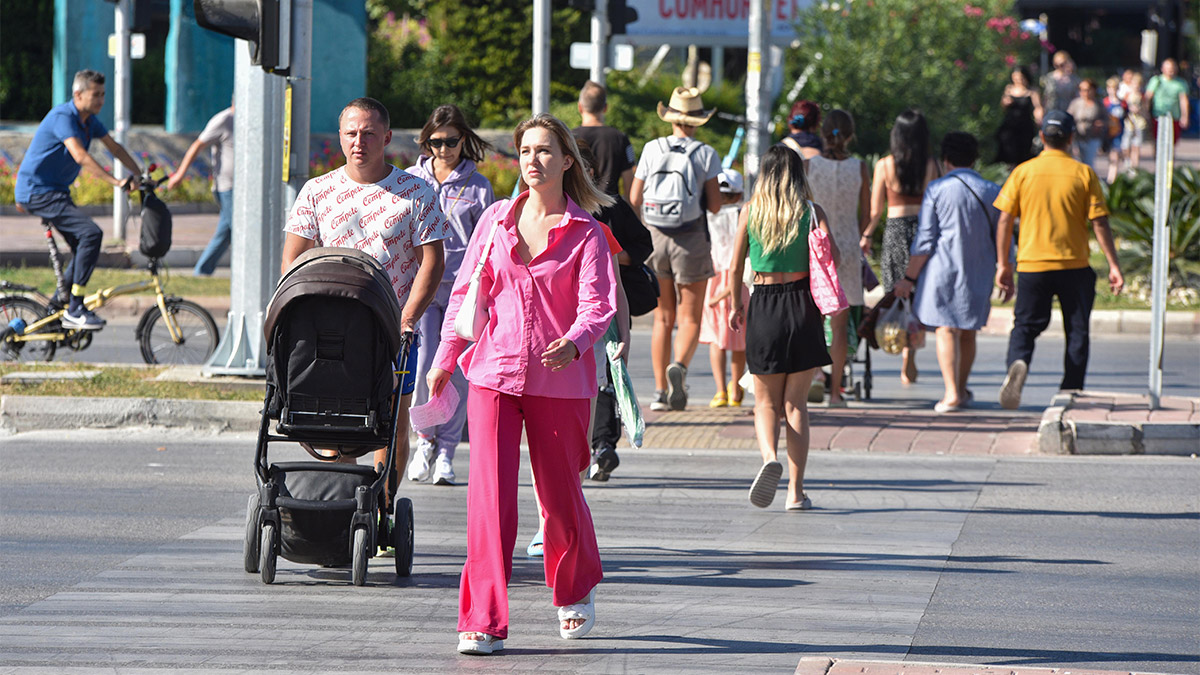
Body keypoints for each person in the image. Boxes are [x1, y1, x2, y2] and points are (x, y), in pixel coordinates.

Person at [427, 113, 616, 655]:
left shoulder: (586, 233)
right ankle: (482, 618)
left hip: (560, 379)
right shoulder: (493, 220)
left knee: (559, 496)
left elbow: (598, 305)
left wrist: (576, 340)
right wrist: (445, 359)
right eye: (526, 150)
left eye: (545, 151)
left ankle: (575, 588)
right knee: (489, 500)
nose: (533, 160)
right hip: (493, 372)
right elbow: (465, 296)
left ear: (566, 161)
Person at [282, 97, 448, 498]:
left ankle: (383, 508)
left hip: (392, 328)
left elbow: (433, 261)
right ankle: (343, 509)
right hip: (330, 329)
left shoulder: (416, 192)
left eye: (370, 133)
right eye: (352, 133)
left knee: (392, 424)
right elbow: (293, 259)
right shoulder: (318, 191)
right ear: (340, 137)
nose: (360, 142)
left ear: (387, 137)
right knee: (335, 421)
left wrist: (408, 316)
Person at [992, 110, 1124, 409]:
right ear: (1071, 138)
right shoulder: (1083, 173)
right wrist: (1113, 264)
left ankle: (1018, 362)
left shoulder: (1023, 172)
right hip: (1074, 266)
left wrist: (1004, 264)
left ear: (1041, 138)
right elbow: (1099, 222)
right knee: (1077, 329)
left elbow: (1004, 220)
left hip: (1032, 266)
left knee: (1025, 326)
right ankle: (1071, 389)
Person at [728, 146, 834, 511]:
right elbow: (828, 259)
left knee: (765, 402)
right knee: (797, 405)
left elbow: (733, 266)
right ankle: (796, 492)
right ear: (797, 175)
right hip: (804, 305)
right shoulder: (811, 212)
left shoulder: (751, 211)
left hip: (765, 304)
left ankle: (769, 456)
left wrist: (733, 305)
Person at [402, 104, 495, 487]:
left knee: (455, 372)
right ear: (426, 143)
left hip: (463, 293)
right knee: (424, 366)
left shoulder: (478, 186)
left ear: (464, 140)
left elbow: (488, 241)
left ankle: (447, 452)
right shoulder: (411, 179)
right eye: (435, 142)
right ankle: (424, 439)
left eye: (452, 141)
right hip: (422, 289)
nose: (444, 149)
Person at [14, 69, 143, 330]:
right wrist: (117, 182)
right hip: (37, 191)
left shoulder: (90, 121)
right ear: (78, 94)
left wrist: (138, 173)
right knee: (91, 234)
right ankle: (75, 307)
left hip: (56, 192)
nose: (101, 101)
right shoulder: (64, 117)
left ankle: (53, 312)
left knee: (85, 247)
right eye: (96, 95)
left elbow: (114, 148)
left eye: (103, 95)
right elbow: (80, 156)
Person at [892, 132, 1000, 413]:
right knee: (968, 331)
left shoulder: (938, 189)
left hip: (944, 270)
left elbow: (925, 240)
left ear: (945, 160)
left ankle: (951, 393)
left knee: (946, 329)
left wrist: (908, 278)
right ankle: (961, 389)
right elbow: (1002, 237)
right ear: (975, 159)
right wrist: (1005, 269)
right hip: (980, 269)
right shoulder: (992, 190)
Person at [630, 87, 723, 412]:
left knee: (663, 318)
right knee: (691, 317)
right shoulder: (706, 154)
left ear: (670, 116)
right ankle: (679, 368)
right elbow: (713, 206)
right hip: (691, 239)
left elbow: (635, 198)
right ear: (697, 120)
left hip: (656, 238)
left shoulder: (652, 148)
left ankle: (658, 392)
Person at [863, 108, 939, 385]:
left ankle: (900, 342)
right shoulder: (932, 165)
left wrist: (867, 235)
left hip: (895, 232)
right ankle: (911, 354)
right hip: (922, 231)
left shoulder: (884, 165)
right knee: (919, 297)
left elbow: (875, 210)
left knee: (897, 294)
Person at [805, 109, 870, 408]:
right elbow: (867, 214)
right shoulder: (859, 167)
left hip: (816, 244)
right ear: (850, 134)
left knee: (813, 318)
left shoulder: (809, 165)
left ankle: (814, 376)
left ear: (822, 132)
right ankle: (835, 392)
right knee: (841, 324)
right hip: (847, 245)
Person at [166, 104, 234, 276]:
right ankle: (248, 276)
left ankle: (202, 271)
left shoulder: (250, 120)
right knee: (241, 232)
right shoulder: (224, 120)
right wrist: (180, 175)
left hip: (241, 190)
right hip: (228, 188)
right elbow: (197, 145)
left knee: (225, 234)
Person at [700, 168, 748, 408]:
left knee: (717, 339)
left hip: (715, 276)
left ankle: (721, 390)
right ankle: (735, 388)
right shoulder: (744, 213)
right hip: (740, 280)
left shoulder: (707, 215)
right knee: (739, 340)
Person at [572, 81, 636, 202]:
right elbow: (629, 183)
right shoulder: (620, 138)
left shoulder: (569, 138)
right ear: (605, 107)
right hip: (611, 210)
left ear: (580, 107)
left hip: (579, 207)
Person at [995, 66, 1043, 166]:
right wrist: (1006, 102)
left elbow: (1038, 107)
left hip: (1025, 126)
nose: (1018, 80)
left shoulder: (1032, 91)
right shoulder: (1009, 89)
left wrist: (1039, 117)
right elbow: (1003, 105)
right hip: (1010, 125)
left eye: (1020, 77)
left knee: (1024, 151)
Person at [1145, 58, 1191, 146]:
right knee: (1158, 141)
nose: (1170, 71)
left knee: (1172, 142)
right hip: (1158, 115)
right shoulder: (1156, 81)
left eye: (1172, 69)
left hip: (1174, 116)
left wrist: (1185, 116)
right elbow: (1148, 97)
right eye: (1168, 68)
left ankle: (1170, 159)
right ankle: (1157, 158)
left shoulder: (1181, 83)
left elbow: (1184, 100)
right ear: (1163, 69)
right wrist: (1146, 113)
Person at [1066, 79, 1107, 169]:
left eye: (1087, 89)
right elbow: (1068, 117)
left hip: (1093, 137)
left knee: (1088, 163)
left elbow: (1106, 119)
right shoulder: (1076, 103)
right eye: (1081, 89)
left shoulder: (1098, 104)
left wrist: (1101, 124)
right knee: (1077, 162)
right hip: (1078, 137)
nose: (1084, 92)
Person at [1101, 77, 1128, 183]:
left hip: (1119, 132)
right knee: (1110, 155)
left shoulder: (1122, 103)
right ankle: (1112, 174)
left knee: (1114, 155)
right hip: (1107, 133)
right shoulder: (1105, 102)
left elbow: (1126, 116)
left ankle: (1111, 179)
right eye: (1110, 88)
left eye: (1115, 88)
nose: (1112, 90)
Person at [1121, 71, 1148, 172]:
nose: (1136, 86)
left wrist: (1140, 110)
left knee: (1136, 146)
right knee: (1125, 145)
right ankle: (1127, 161)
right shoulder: (1127, 95)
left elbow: (1146, 109)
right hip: (1129, 123)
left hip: (1139, 123)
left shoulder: (1142, 96)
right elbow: (1122, 108)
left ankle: (1135, 167)